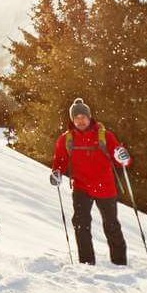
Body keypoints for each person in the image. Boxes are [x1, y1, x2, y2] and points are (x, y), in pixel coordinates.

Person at [49, 97, 132, 266]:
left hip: (105, 187)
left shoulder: (105, 136)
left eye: (83, 117)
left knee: (111, 225)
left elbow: (122, 160)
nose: (80, 121)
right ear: (72, 120)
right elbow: (59, 161)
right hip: (81, 187)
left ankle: (120, 263)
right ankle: (86, 264)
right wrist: (56, 173)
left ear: (89, 117)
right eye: (76, 118)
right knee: (81, 225)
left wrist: (123, 157)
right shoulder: (66, 139)